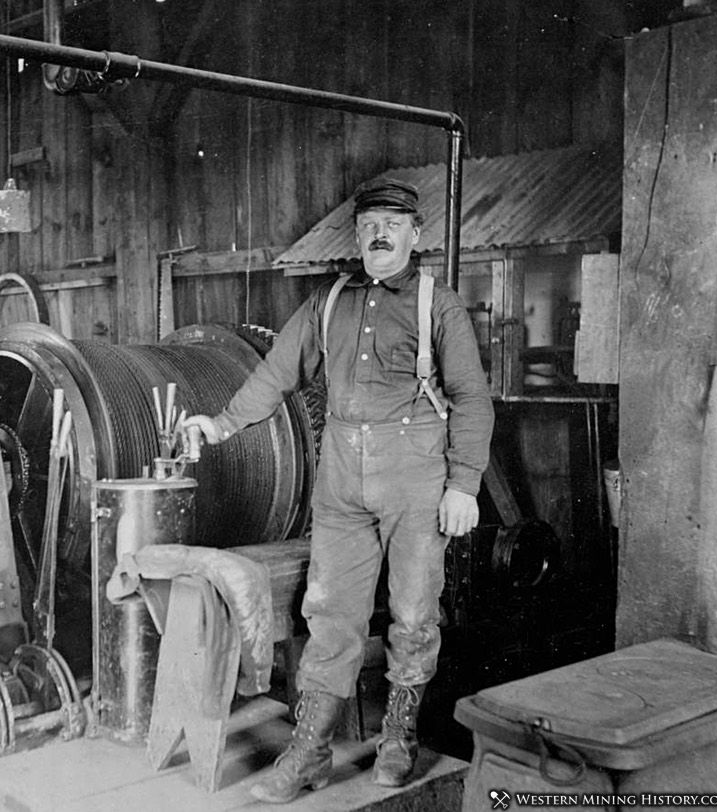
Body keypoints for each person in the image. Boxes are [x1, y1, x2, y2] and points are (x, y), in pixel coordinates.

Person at [184, 178, 493, 803]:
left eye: (392, 223)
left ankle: (399, 737)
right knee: (330, 616)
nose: (380, 233)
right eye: (370, 223)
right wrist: (220, 424)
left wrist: (464, 484)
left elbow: (472, 399)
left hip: (416, 479)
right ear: (357, 235)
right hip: (342, 479)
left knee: (412, 613)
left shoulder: (440, 304)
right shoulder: (329, 302)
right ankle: (310, 751)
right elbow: (275, 373)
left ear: (414, 233)